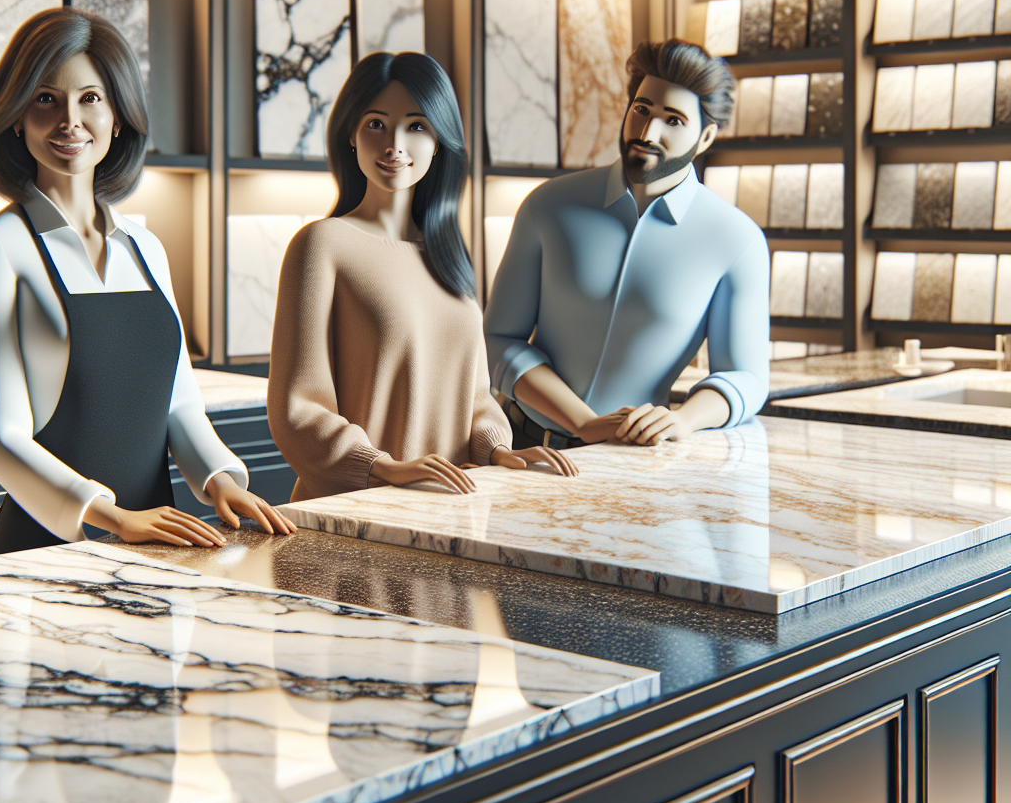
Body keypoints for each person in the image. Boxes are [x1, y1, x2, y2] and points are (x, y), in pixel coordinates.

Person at [0, 7, 295, 555]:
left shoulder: (146, 248)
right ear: (15, 116)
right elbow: (0, 439)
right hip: (49, 548)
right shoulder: (0, 246)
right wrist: (113, 518)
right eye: (45, 99)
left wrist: (221, 478)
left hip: (161, 537)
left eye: (91, 98)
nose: (69, 121)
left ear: (119, 116)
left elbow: (177, 405)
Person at [268, 51, 577, 500]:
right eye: (376, 123)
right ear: (351, 134)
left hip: (449, 510)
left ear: (439, 142)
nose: (395, 144)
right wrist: (382, 468)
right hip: (353, 514)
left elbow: (475, 398)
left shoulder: (447, 256)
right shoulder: (322, 244)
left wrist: (496, 451)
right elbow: (296, 410)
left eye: (416, 126)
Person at [484, 38, 769, 450]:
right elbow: (498, 340)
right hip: (523, 452)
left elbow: (747, 379)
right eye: (641, 110)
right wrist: (583, 422)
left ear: (705, 137)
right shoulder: (547, 205)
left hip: (633, 461)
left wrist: (683, 420)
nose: (648, 131)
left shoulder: (737, 240)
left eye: (673, 120)